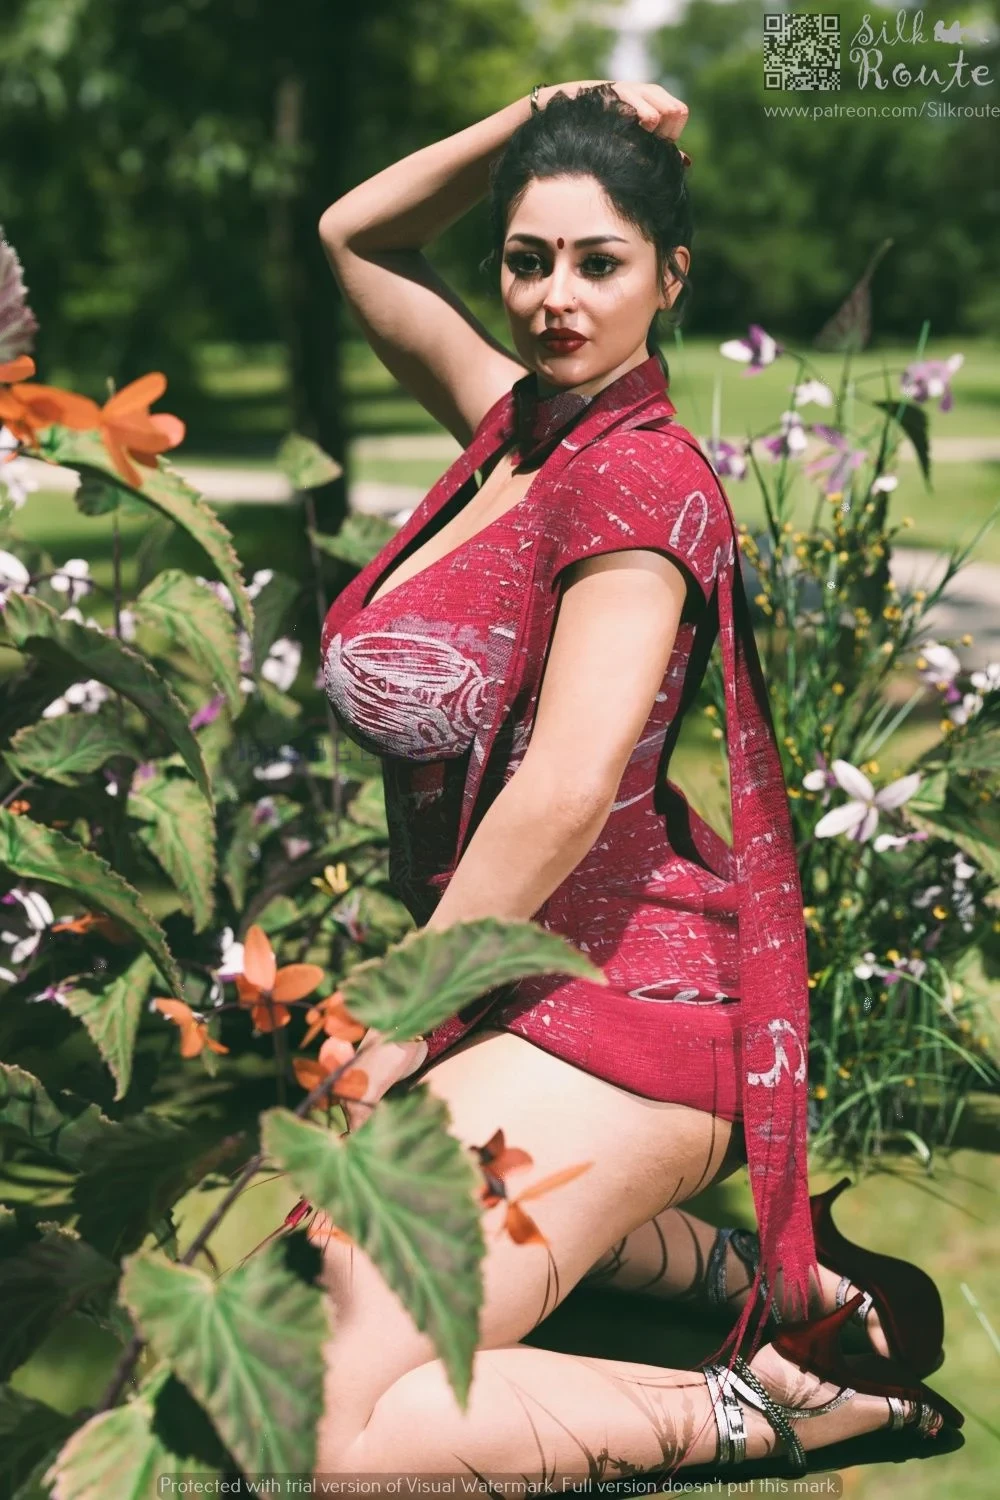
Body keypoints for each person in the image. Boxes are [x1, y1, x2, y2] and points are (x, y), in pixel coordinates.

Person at [312, 80, 961, 1483]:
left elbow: (565, 789)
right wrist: (539, 113)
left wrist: (396, 1017)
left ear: (671, 278)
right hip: (516, 988)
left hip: (630, 1008)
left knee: (316, 1420)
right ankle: (738, 1271)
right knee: (291, 1308)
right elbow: (355, 236)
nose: (556, 297)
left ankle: (768, 1408)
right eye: (526, 259)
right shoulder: (516, 427)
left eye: (599, 263)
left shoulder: (633, 487)